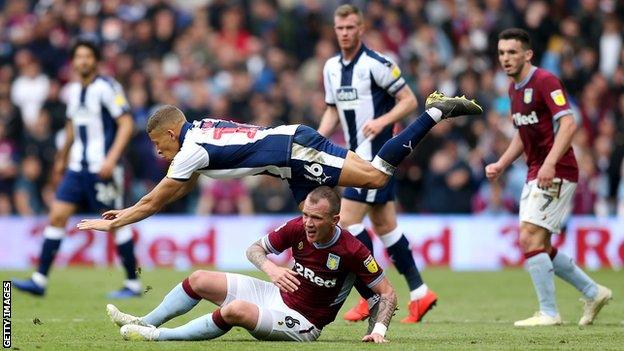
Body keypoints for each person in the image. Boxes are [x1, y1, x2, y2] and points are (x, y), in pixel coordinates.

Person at [76, 91, 481, 233]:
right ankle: (329, 295)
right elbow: (173, 189)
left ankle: (435, 112)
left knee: (375, 178)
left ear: (168, 132)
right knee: (311, 222)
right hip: (292, 159)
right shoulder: (198, 131)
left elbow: (155, 201)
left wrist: (113, 221)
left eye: (155, 143)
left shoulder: (191, 150)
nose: (156, 153)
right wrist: (127, 211)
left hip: (296, 151)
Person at [105, 187, 397, 343]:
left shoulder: (352, 250)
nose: (308, 223)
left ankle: (158, 337)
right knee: (199, 279)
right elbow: (254, 249)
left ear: (335, 220)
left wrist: (379, 332)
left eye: (317, 218)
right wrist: (271, 268)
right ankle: (146, 322)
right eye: (306, 214)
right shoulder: (297, 228)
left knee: (234, 311)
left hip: (305, 323)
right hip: (275, 295)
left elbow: (387, 293)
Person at [485, 28, 612, 327]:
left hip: (556, 171)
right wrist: (502, 163)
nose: (506, 58)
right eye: (502, 53)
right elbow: (522, 132)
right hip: (536, 171)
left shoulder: (545, 81)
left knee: (529, 237)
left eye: (512, 52)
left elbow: (568, 124)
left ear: (528, 54)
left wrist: (550, 163)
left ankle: (549, 312)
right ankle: (593, 292)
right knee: (538, 242)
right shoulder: (513, 89)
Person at [318, 4, 436, 323]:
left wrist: (381, 120)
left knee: (347, 223)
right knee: (386, 228)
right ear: (335, 29)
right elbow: (333, 110)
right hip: (355, 156)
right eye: (339, 28)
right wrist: (315, 136)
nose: (344, 33)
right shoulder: (330, 68)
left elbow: (410, 100)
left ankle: (372, 295)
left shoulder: (377, 63)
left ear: (361, 29)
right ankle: (420, 293)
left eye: (350, 28)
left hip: (377, 158)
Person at [12, 39, 142, 299]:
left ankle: (133, 283)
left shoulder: (107, 87)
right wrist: (62, 158)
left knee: (115, 222)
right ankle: (39, 279)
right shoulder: (73, 91)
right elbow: (72, 127)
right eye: (79, 57)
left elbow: (126, 124)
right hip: (76, 168)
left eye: (88, 56)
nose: (83, 61)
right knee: (57, 215)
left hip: (102, 168)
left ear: (95, 60)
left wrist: (111, 158)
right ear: (73, 62)